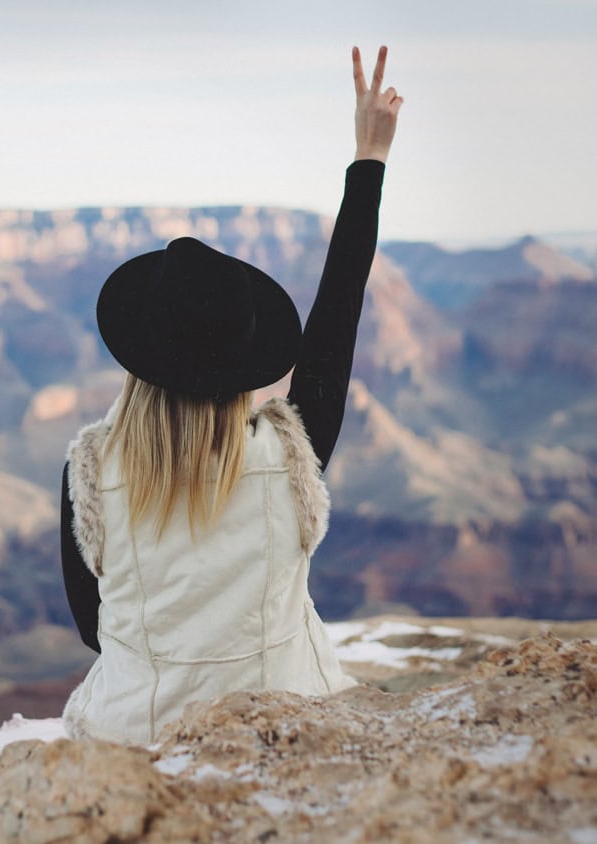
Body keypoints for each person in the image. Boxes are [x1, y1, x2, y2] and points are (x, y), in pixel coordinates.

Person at [60, 46, 403, 745]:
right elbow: (337, 318)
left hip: (133, 738)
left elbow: (93, 626)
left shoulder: (90, 471)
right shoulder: (293, 450)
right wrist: (369, 157)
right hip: (283, 729)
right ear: (245, 359)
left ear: (140, 358)